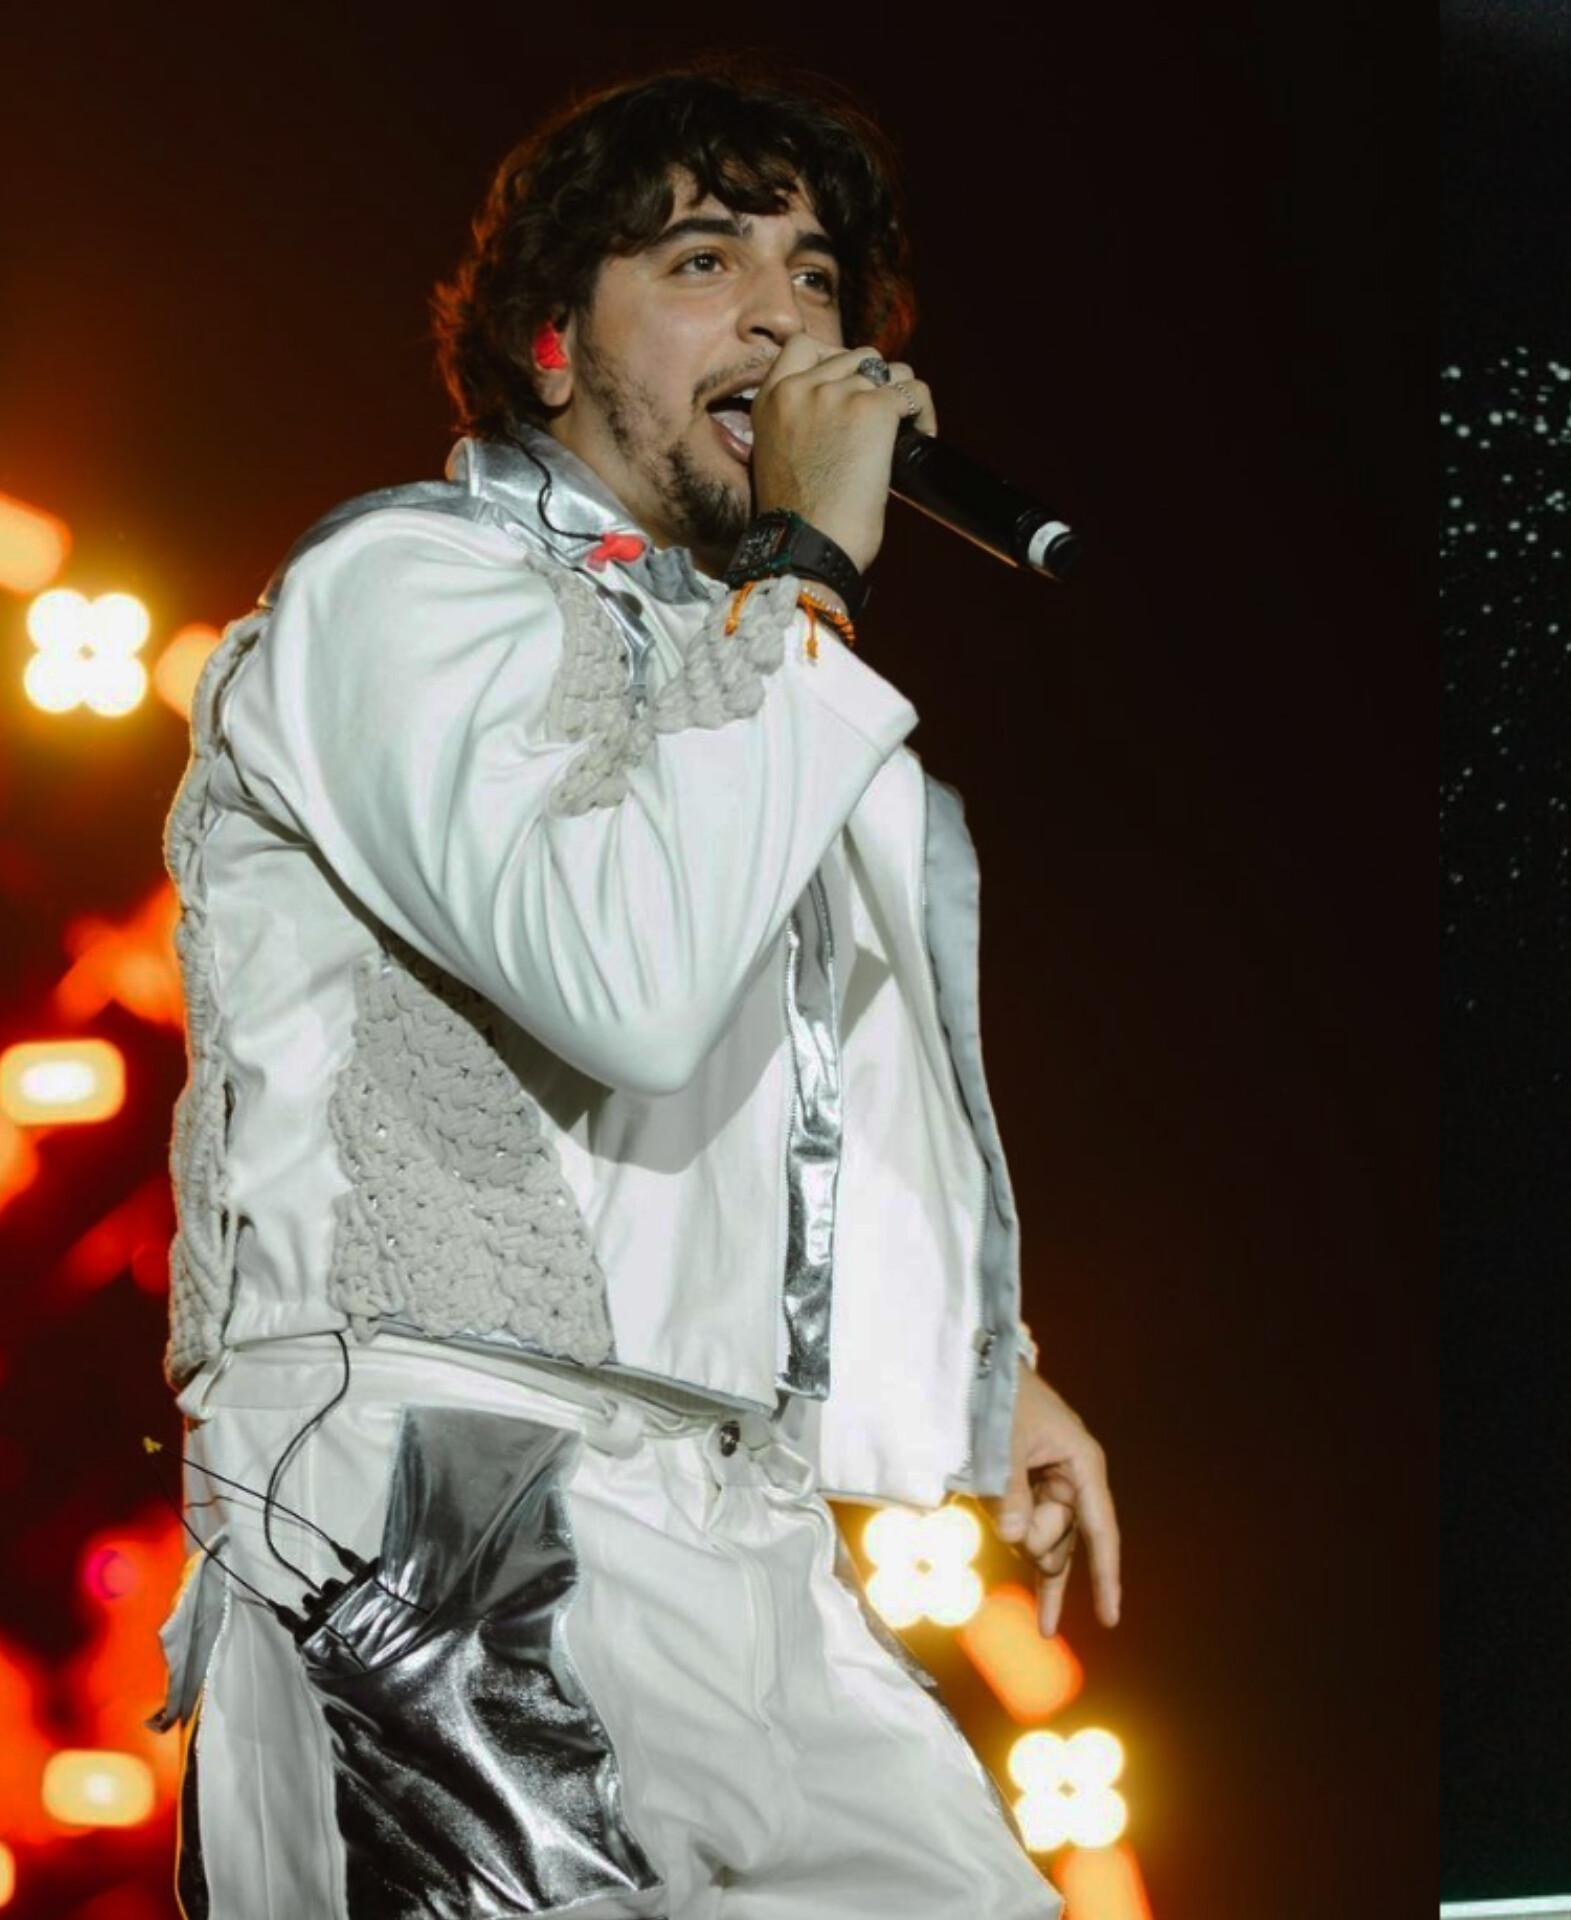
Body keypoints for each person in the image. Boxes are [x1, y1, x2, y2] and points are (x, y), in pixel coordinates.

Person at [148, 64, 1114, 1917]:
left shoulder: (746, 660)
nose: (780, 315)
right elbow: (628, 984)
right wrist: (804, 574)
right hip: (439, 1485)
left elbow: (769, 1105)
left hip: (735, 1513)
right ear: (548, 344)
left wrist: (997, 1375)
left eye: (818, 276)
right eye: (701, 258)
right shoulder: (405, 590)